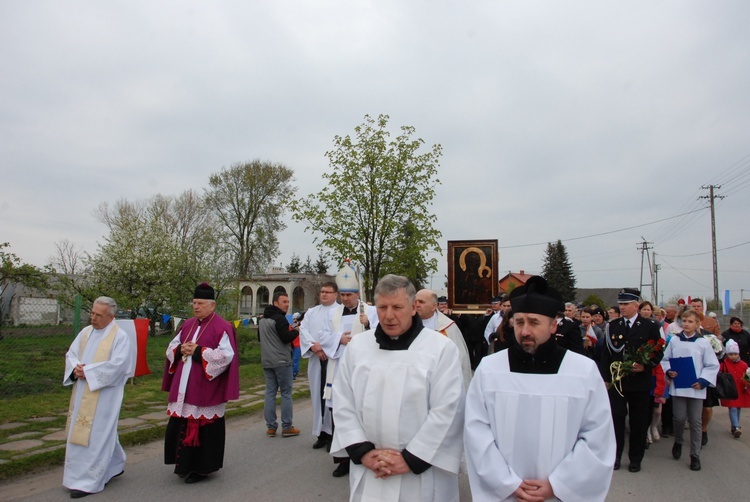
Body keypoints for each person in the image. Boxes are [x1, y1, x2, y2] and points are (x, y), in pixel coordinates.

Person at [464, 276, 615, 502]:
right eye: (519, 322)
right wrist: (508, 483)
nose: (525, 331)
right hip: (505, 493)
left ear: (553, 325)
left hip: (558, 495)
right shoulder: (490, 369)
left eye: (534, 323)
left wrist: (557, 485)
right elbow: (476, 432)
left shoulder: (582, 371)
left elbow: (597, 438)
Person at [330, 274, 465, 501]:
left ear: (413, 307)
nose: (389, 316)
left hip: (421, 470)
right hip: (370, 468)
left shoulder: (440, 349)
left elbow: (448, 410)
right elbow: (343, 401)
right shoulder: (359, 347)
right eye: (382, 307)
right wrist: (362, 452)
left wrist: (411, 458)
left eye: (397, 307)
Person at [162, 283, 240, 484]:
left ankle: (201, 468)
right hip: (184, 385)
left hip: (205, 386)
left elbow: (226, 356)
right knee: (181, 423)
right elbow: (171, 347)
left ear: (212, 305)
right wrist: (180, 349)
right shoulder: (187, 324)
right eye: (194, 303)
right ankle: (183, 465)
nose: (196, 307)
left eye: (200, 303)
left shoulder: (222, 327)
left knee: (203, 426)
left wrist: (198, 351)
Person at [63, 296, 136, 498]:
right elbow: (71, 354)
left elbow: (120, 366)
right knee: (87, 431)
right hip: (82, 393)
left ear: (110, 317)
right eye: (92, 313)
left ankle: (88, 481)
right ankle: (113, 465)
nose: (93, 318)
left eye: (98, 315)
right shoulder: (85, 332)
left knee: (97, 434)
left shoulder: (120, 337)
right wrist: (75, 368)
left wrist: (89, 372)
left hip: (104, 396)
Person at [600, 288, 662, 472]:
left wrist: (647, 365)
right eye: (620, 304)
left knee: (638, 422)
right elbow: (606, 354)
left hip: (639, 380)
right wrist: (605, 378)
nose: (622, 307)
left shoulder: (650, 326)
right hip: (617, 381)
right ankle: (615, 456)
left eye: (626, 304)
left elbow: (658, 350)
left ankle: (635, 458)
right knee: (616, 419)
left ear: (636, 305)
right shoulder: (613, 325)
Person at [327, 263, 380, 477]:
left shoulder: (371, 311)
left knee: (362, 412)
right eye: (342, 295)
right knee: (341, 413)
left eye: (349, 294)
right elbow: (323, 335)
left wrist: (368, 326)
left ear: (358, 294)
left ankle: (365, 453)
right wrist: (338, 339)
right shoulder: (334, 313)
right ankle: (343, 460)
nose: (345, 298)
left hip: (363, 369)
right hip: (339, 366)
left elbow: (382, 336)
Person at [661, 309, 719, 471]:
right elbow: (665, 359)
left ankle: (695, 455)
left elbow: (712, 365)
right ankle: (678, 441)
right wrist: (669, 371)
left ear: (697, 324)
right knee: (679, 418)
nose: (686, 324)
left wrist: (703, 381)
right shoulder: (674, 341)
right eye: (684, 321)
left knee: (695, 421)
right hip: (679, 386)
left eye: (690, 321)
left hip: (696, 387)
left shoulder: (703, 343)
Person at [299, 281, 340, 450]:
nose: (324, 294)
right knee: (317, 394)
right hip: (316, 360)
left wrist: (325, 347)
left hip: (333, 359)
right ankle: (321, 433)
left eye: (328, 292)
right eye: (322, 291)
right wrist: (314, 347)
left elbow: (339, 334)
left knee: (331, 396)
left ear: (335, 295)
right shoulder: (311, 312)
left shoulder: (340, 312)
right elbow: (303, 329)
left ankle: (334, 435)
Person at [259, 292, 300, 438]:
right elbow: (285, 338)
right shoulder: (280, 319)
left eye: (288, 301)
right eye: (284, 302)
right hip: (282, 361)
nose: (287, 304)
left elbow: (260, 338)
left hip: (267, 360)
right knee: (286, 394)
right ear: (275, 303)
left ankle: (271, 427)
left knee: (270, 393)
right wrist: (296, 331)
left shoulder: (263, 320)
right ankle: (287, 426)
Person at [415, 288, 472, 388]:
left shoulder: (447, 327)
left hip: (442, 382)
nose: (417, 305)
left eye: (421, 302)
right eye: (415, 301)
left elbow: (461, 359)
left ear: (434, 306)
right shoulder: (407, 325)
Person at [719, 339, 750, 438]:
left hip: (741, 390)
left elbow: (747, 376)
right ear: (727, 354)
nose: (733, 356)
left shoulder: (744, 365)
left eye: (735, 354)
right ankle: (736, 427)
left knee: (738, 408)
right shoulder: (724, 364)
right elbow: (718, 373)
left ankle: (734, 426)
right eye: (730, 354)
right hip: (729, 390)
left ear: (738, 354)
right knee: (732, 408)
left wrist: (747, 383)